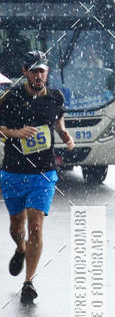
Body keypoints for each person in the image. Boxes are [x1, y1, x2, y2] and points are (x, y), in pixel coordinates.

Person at [0, 51, 73, 303]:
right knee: (16, 226)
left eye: (42, 70)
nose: (38, 75)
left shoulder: (55, 97)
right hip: (13, 171)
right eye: (34, 71)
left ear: (47, 72)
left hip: (43, 172)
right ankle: (20, 248)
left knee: (35, 225)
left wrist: (64, 134)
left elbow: (58, 120)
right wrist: (16, 133)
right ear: (25, 73)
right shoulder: (10, 98)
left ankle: (28, 282)